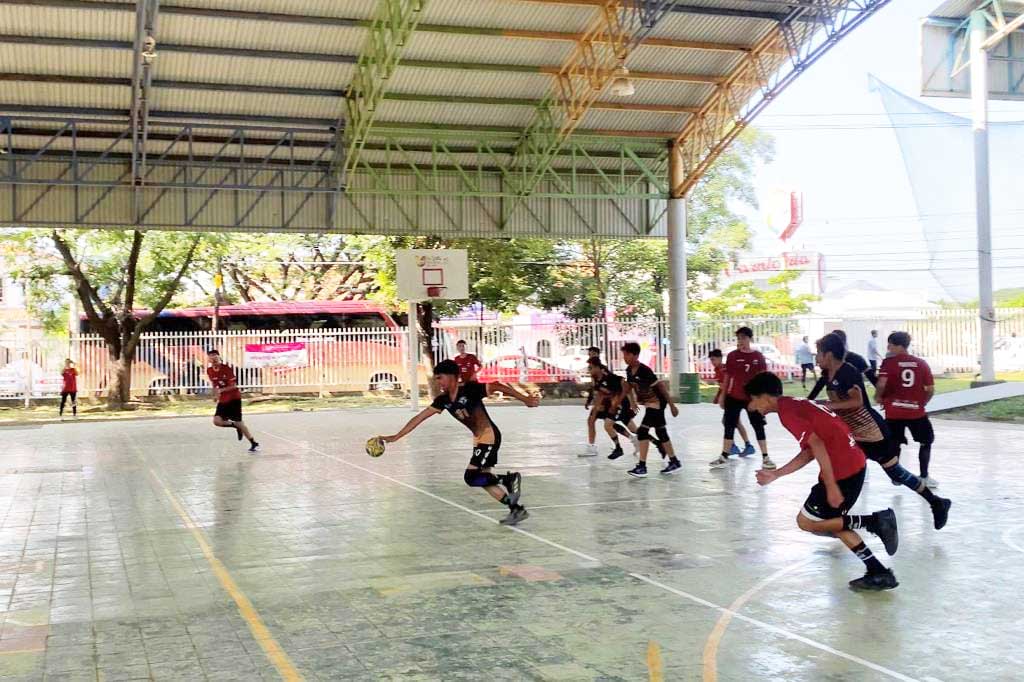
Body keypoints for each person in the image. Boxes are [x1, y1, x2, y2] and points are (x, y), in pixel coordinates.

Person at [745, 372, 900, 591]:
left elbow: (816, 446)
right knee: (833, 521)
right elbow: (810, 450)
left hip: (843, 471)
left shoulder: (787, 413)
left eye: (753, 399)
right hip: (852, 465)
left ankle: (874, 521)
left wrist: (831, 486)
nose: (752, 407)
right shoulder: (794, 404)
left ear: (764, 397)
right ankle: (879, 572)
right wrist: (776, 474)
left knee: (807, 522)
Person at [814, 334, 950, 530]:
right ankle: (837, 515)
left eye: (819, 353)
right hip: (855, 434)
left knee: (895, 473)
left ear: (829, 354)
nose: (816, 358)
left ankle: (936, 502)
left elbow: (857, 401)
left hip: (871, 433)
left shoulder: (847, 372)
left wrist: (827, 405)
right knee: (846, 469)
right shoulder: (829, 373)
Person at [379, 359, 539, 526]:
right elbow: (419, 418)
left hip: (489, 436)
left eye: (440, 378)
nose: (438, 382)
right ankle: (516, 509)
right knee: (481, 479)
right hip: (479, 439)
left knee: (471, 477)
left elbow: (497, 385)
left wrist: (525, 399)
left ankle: (509, 479)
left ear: (452, 377)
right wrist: (396, 436)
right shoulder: (443, 400)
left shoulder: (470, 389)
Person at [877, 332, 938, 488]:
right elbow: (930, 389)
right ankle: (924, 476)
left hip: (894, 411)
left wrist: (878, 396)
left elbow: (882, 384)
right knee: (926, 442)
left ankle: (896, 477)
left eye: (890, 344)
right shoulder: (921, 363)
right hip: (916, 412)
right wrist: (922, 403)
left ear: (898, 346)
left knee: (894, 443)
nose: (888, 347)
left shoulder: (888, 363)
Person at [709, 327, 774, 470]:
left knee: (757, 425)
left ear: (750, 339)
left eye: (744, 338)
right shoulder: (732, 356)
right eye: (739, 338)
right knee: (729, 424)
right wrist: (723, 396)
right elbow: (727, 377)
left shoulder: (758, 357)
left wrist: (763, 400)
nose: (741, 341)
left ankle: (766, 457)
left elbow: (764, 379)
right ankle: (724, 455)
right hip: (734, 396)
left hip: (752, 398)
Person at [621, 342, 681, 477]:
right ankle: (674, 461)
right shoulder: (629, 370)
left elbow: (661, 387)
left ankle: (642, 467)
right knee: (661, 433)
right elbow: (629, 387)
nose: (624, 357)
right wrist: (632, 403)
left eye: (627, 354)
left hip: (658, 403)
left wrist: (672, 405)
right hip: (649, 403)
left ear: (635, 355)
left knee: (642, 431)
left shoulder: (644, 370)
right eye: (624, 355)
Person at [206, 349, 259, 453]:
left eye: (215, 355)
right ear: (209, 359)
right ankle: (235, 426)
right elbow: (214, 384)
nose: (213, 357)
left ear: (218, 357)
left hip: (234, 398)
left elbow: (233, 386)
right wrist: (215, 395)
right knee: (217, 421)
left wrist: (221, 390)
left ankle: (253, 443)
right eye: (211, 356)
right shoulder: (209, 370)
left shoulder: (226, 368)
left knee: (240, 422)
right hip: (223, 399)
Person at [586, 357, 639, 460]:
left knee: (611, 425)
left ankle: (655, 443)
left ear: (597, 366)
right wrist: (594, 406)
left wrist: (632, 402)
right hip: (610, 404)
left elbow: (624, 384)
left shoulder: (607, 375)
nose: (589, 370)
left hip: (620, 403)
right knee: (611, 424)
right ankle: (633, 441)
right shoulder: (596, 378)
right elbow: (600, 394)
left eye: (590, 367)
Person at [709, 349, 755, 456]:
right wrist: (717, 397)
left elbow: (726, 385)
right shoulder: (717, 369)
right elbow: (721, 386)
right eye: (711, 360)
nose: (712, 362)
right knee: (734, 422)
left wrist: (724, 398)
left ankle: (738, 446)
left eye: (714, 359)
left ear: (720, 358)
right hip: (728, 399)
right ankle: (741, 446)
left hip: (732, 399)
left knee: (729, 422)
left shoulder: (724, 370)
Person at [808, 329, 873, 398]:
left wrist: (881, 396)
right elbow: (818, 387)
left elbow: (872, 378)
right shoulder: (828, 369)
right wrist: (807, 402)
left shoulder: (855, 360)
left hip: (859, 407)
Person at [582, 346, 604, 457]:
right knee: (610, 424)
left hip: (604, 401)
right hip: (600, 400)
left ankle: (592, 448)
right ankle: (635, 439)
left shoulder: (600, 368)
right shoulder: (593, 368)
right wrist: (589, 400)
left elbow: (601, 386)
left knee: (593, 421)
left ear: (596, 354)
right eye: (589, 354)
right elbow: (593, 386)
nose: (589, 356)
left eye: (591, 354)